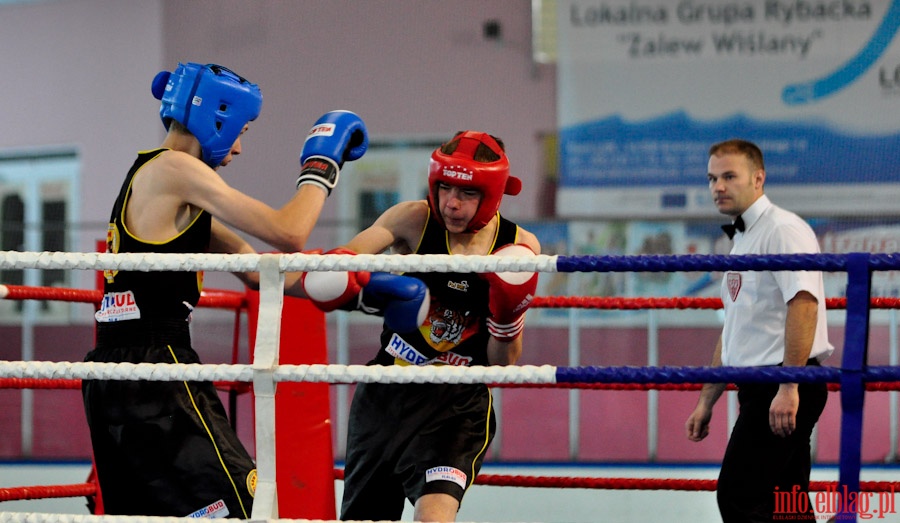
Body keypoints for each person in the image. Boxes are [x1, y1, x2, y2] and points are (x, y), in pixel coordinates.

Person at [83, 62, 368, 517]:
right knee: (243, 505)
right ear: (216, 116)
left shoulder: (163, 183)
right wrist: (322, 164)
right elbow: (289, 232)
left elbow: (260, 273)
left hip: (117, 373)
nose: (238, 146)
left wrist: (361, 292)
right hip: (157, 369)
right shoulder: (177, 169)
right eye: (242, 130)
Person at [301, 131, 541, 522]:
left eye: (466, 193)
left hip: (455, 407)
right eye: (444, 188)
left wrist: (506, 316)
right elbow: (336, 267)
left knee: (434, 516)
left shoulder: (517, 248)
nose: (451, 203)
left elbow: (503, 364)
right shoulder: (413, 218)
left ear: (492, 194)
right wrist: (360, 286)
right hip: (386, 395)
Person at [684, 139, 834, 522]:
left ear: (758, 178)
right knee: (788, 506)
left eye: (729, 176)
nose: (718, 186)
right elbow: (735, 328)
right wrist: (707, 400)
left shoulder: (783, 230)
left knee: (738, 497)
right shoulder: (745, 238)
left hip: (782, 384)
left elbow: (804, 307)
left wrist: (788, 385)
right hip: (763, 386)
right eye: (712, 178)